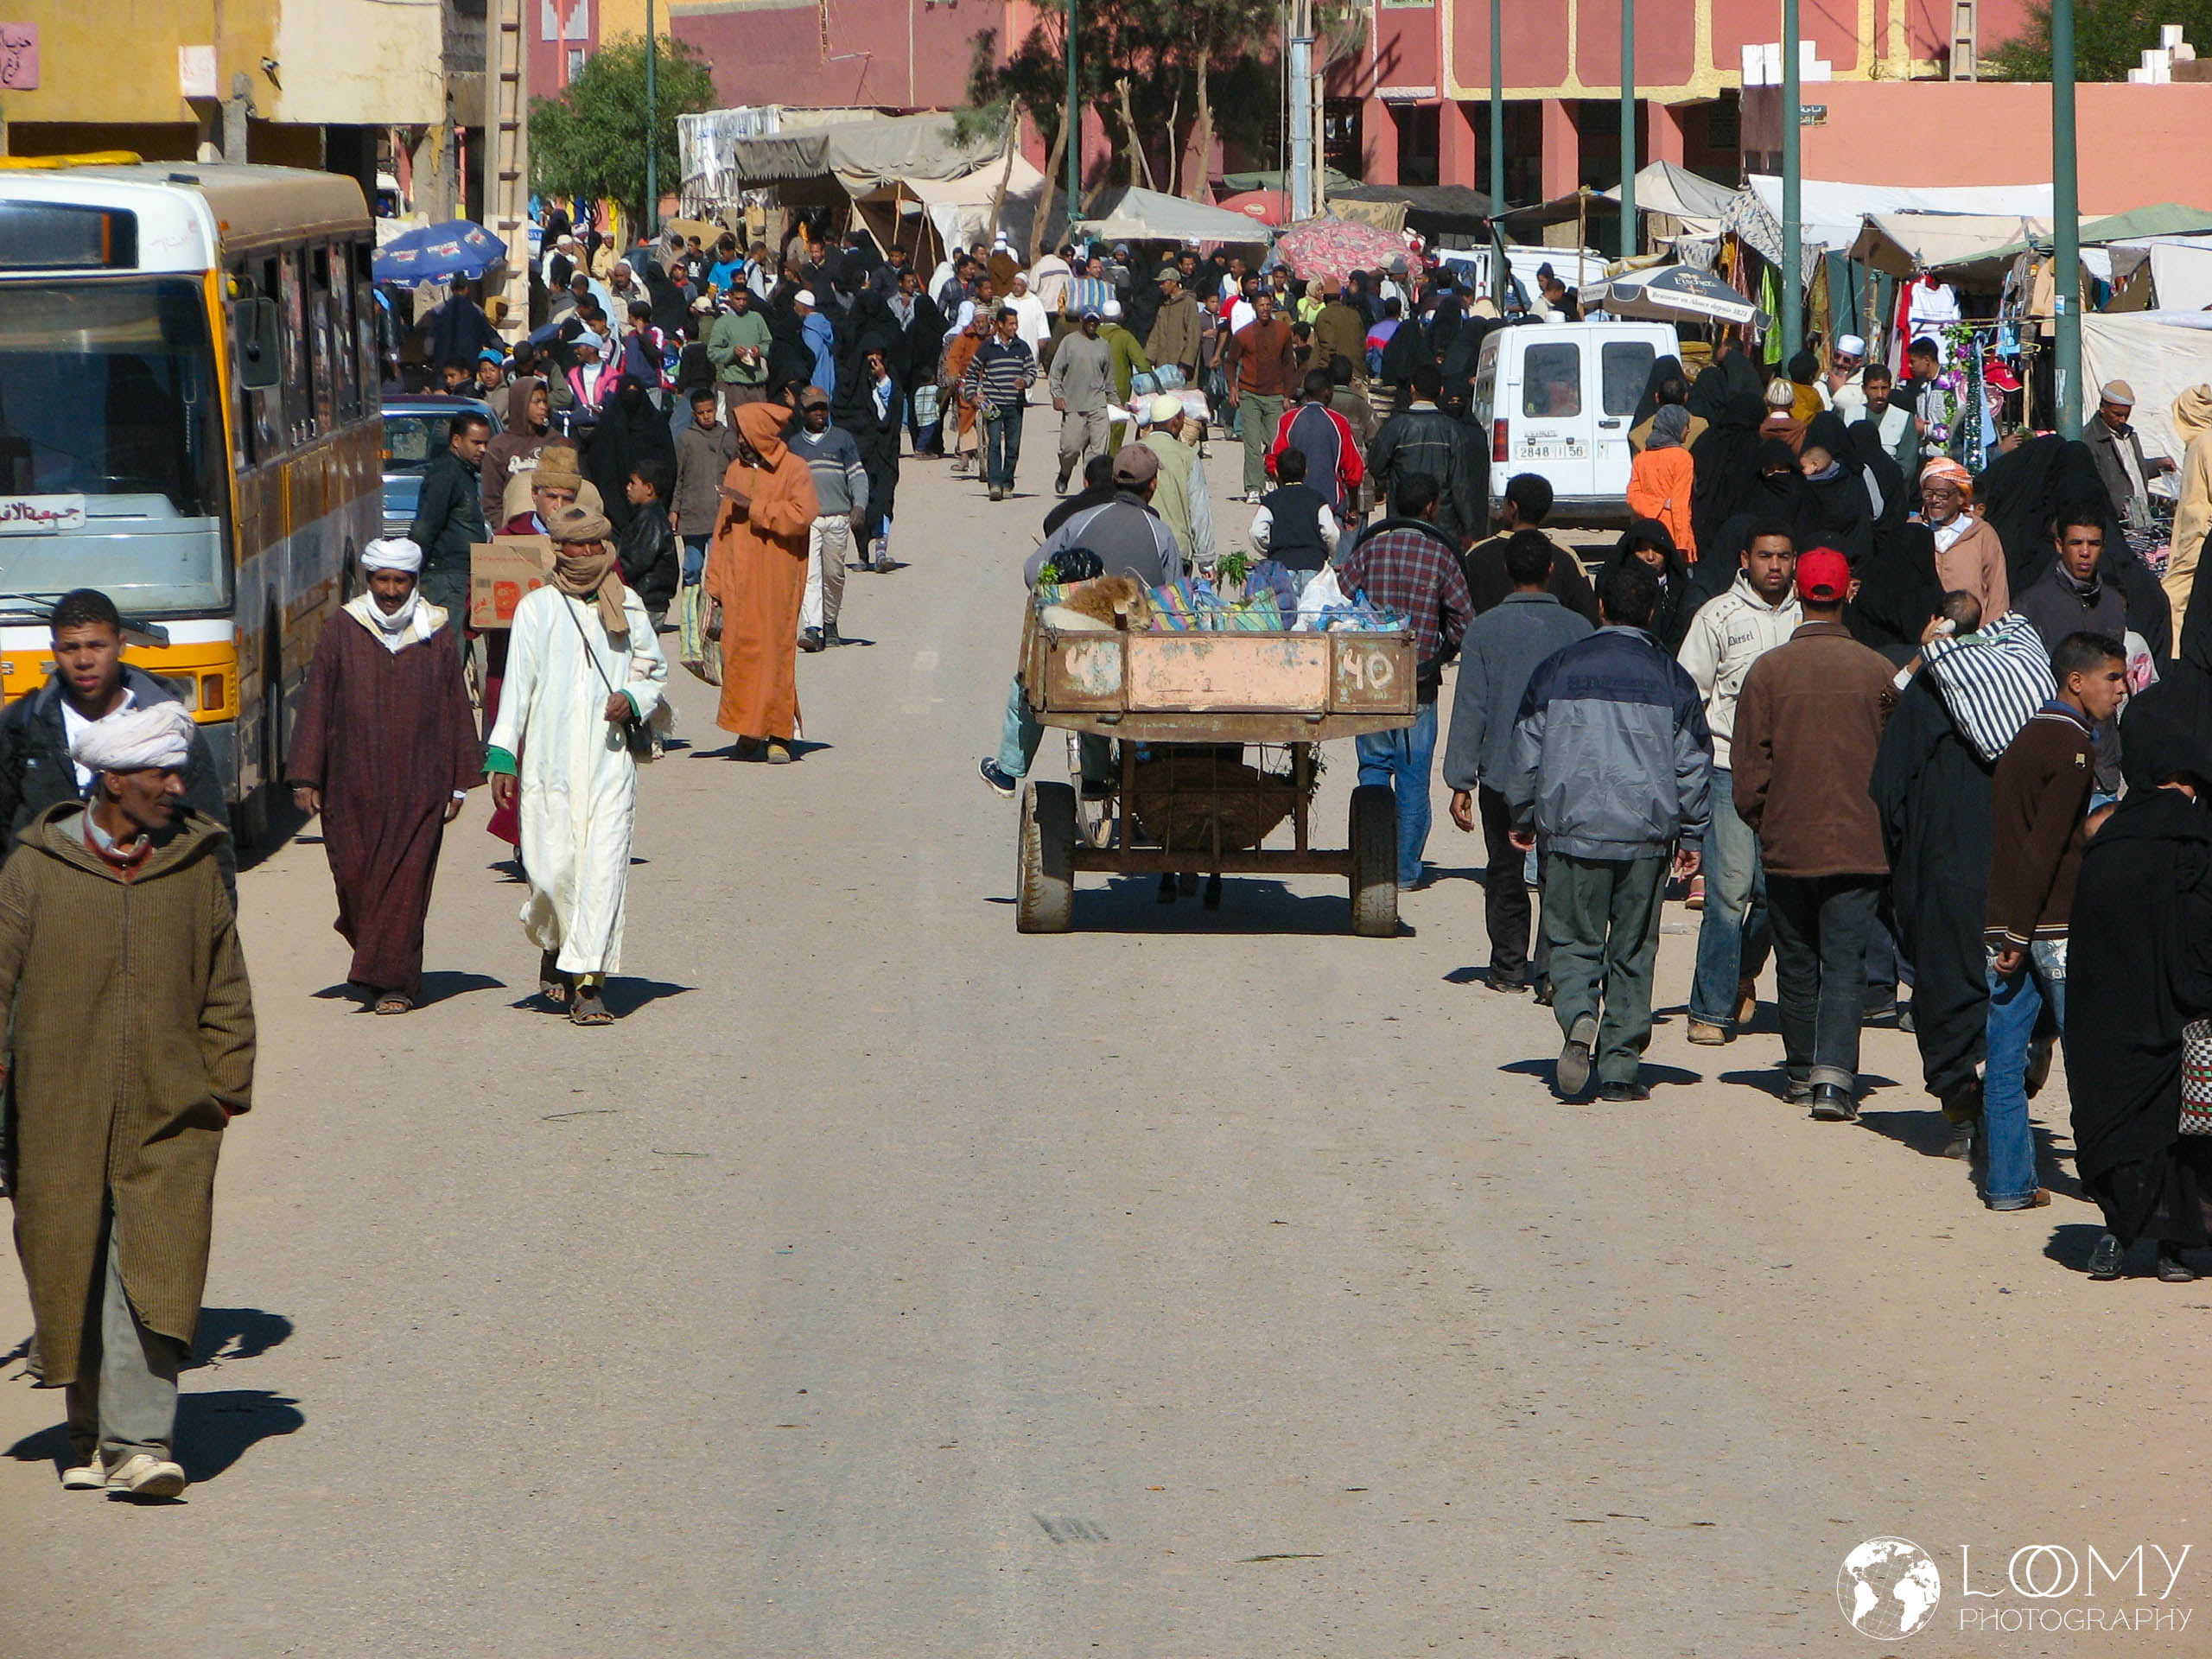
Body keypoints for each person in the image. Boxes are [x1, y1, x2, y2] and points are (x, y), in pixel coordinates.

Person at [0, 700, 253, 1498]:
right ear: (110, 780)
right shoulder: (35, 870)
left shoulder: (191, 867)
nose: (177, 786)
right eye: (160, 773)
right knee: (69, 1262)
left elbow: (226, 987)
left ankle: (141, 1440)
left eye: (179, 770)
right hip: (57, 1112)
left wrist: (224, 1088)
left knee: (155, 1262)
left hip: (172, 1108)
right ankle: (89, 1432)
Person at [1507, 559, 1711, 1101]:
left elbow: (1526, 749)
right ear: (1650, 611)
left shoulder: (1557, 669)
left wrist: (1523, 814)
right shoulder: (1672, 678)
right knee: (1633, 948)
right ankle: (1620, 1067)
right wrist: (1692, 835)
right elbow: (1693, 763)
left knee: (1572, 940)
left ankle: (1577, 1014)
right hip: (1645, 836)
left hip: (1571, 829)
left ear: (1599, 606)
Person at [485, 505, 670, 1027]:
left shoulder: (627, 606)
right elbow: (516, 691)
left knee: (602, 870)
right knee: (550, 871)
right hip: (550, 767)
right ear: (560, 551)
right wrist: (502, 758)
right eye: (577, 547)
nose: (587, 555)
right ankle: (556, 942)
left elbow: (651, 670)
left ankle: (590, 984)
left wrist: (632, 698)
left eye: (596, 546)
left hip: (609, 764)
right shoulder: (537, 610)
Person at [1730, 547, 1897, 1119]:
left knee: (1797, 961)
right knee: (1845, 961)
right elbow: (1897, 765)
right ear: (1847, 594)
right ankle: (1834, 1079)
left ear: (1799, 594)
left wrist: (1764, 820)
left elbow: (1749, 772)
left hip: (1789, 843)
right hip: (1860, 844)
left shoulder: (1768, 672)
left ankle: (1801, 1072)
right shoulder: (1878, 672)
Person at [286, 537, 484, 1014]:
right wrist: (306, 776)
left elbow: (454, 704)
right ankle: (376, 955)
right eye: (382, 581)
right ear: (369, 580)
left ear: (414, 582)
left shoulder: (435, 633)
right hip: (352, 785)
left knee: (406, 884)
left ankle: (395, 982)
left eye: (400, 581)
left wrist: (459, 779)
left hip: (421, 781)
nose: (391, 591)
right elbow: (317, 704)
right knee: (354, 878)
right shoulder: (341, 629)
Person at [1980, 631, 2126, 1211]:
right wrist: (2019, 931)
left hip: (2010, 922)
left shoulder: (2025, 738)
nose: (2121, 689)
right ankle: (2109, 1182)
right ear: (2076, 680)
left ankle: (2008, 1183)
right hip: (2052, 927)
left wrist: (2006, 928)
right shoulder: (2072, 746)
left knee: (2006, 1057)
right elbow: (2043, 847)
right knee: (2088, 1058)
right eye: (2111, 678)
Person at [2067, 729, 2212, 1281]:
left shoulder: (2109, 840)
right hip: (2177, 1018)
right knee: (2183, 1134)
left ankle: (2115, 1235)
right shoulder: (2195, 842)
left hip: (2106, 1020)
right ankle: (2177, 1248)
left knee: (2118, 1132)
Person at [981, 446, 1186, 798]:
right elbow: (1172, 598)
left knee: (1031, 681)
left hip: (1084, 655)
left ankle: (1008, 771)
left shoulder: (1082, 520)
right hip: (1137, 661)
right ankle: (1105, 777)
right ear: (1152, 485)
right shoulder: (1161, 533)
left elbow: (1033, 573)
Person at [0, 588, 233, 893]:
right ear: (55, 651)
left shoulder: (166, 729)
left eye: (97, 646)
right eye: (71, 648)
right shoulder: (23, 726)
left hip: (149, 909)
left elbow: (212, 838)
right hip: (44, 916)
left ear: (121, 645)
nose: (84, 660)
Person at [1445, 530, 1593, 994]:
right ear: (1551, 571)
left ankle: (1508, 967)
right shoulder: (1579, 631)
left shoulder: (1484, 630)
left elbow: (1472, 706)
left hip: (1502, 776)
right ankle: (1553, 974)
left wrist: (1459, 780)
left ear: (1508, 571)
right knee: (1559, 873)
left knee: (1504, 870)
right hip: (1565, 774)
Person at [1676, 524, 1801, 1045]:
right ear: (1745, 560)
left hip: (1792, 778)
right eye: (1766, 556)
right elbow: (1689, 694)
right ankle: (1710, 1008)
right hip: (1728, 767)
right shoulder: (1716, 617)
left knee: (1778, 894)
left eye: (1785, 557)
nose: (1775, 566)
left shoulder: (1808, 618)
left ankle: (1742, 970)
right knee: (1728, 893)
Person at [1332, 473, 1475, 888]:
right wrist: (1441, 651)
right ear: (1430, 507)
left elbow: (1340, 598)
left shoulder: (1371, 546)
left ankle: (1371, 864)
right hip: (1420, 685)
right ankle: (1406, 871)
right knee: (1413, 777)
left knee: (1373, 769)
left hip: (1370, 682)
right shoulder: (1441, 556)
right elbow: (1466, 622)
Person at [708, 403, 819, 764]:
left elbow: (802, 517)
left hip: (776, 580)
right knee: (740, 654)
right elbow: (722, 530)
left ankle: (779, 735)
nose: (739, 440)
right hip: (738, 581)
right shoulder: (736, 471)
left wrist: (754, 506)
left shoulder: (795, 469)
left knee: (774, 655)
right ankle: (748, 729)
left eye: (744, 433)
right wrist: (715, 583)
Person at [1365, 363, 1487, 550]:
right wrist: (1469, 528)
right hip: (1444, 526)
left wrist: (1392, 485)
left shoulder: (1395, 426)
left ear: (1412, 388)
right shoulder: (1453, 430)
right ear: (1441, 390)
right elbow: (1461, 485)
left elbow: (1375, 466)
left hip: (1402, 521)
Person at [791, 385, 868, 652]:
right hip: (808, 520)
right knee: (810, 576)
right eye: (813, 409)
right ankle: (812, 629)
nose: (819, 413)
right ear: (803, 412)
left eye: (822, 407)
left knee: (834, 575)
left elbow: (857, 475)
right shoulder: (794, 446)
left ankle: (830, 620)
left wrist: (859, 506)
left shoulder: (842, 440)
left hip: (838, 517)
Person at [406, 410, 491, 641]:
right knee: (450, 652)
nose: (483, 449)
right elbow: (426, 528)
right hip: (446, 579)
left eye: (485, 443)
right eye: (476, 443)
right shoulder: (446, 474)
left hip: (462, 576)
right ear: (456, 441)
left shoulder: (465, 473)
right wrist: (409, 571)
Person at [1267, 367, 1364, 530]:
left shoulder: (1288, 419)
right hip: (1330, 505)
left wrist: (1284, 492)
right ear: (1327, 392)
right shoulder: (1338, 422)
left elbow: (1273, 462)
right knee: (1334, 552)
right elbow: (1353, 472)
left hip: (1294, 506)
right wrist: (1353, 508)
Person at [1226, 291, 1297, 502]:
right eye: (1261, 305)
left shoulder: (1283, 331)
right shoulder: (1244, 334)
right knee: (1252, 442)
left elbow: (1288, 364)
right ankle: (1253, 487)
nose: (1265, 308)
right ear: (1254, 308)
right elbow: (1230, 362)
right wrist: (1232, 386)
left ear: (1273, 306)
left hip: (1275, 394)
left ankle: (1270, 477)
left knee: (1275, 442)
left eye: (1268, 305)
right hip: (1250, 394)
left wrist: (1288, 394)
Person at [963, 308, 1037, 503]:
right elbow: (971, 374)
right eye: (1011, 323)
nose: (1015, 327)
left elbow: (1031, 371)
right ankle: (995, 484)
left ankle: (1008, 483)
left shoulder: (1022, 347)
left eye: (1016, 323)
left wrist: (1025, 381)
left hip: (1015, 405)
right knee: (994, 444)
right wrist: (973, 397)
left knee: (1013, 447)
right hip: (993, 406)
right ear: (1000, 325)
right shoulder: (987, 348)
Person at [1137, 393, 1214, 572]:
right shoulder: (1187, 456)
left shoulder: (1134, 451)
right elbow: (1199, 509)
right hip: (1176, 550)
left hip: (1139, 546)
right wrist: (1206, 560)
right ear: (1175, 421)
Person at [2082, 379, 2175, 529]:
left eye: (2126, 415)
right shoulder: (2090, 440)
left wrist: (2159, 464)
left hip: (2139, 517)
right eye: (2117, 415)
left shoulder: (2129, 435)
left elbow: (2134, 471)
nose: (2122, 420)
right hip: (2115, 522)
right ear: (2102, 408)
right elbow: (2093, 486)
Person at [673, 386, 737, 589]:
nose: (706, 416)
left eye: (709, 411)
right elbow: (678, 477)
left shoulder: (727, 437)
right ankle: (690, 614)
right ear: (694, 414)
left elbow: (737, 473)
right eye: (701, 413)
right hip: (692, 514)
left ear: (715, 410)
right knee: (692, 567)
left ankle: (714, 615)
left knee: (718, 569)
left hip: (720, 514)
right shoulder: (686, 440)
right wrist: (674, 510)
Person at [1248, 446, 1338, 587]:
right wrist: (1327, 554)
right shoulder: (1318, 499)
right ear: (1306, 472)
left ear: (1276, 473)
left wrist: (1271, 550)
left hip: (1281, 567)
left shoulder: (1271, 500)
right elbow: (1331, 533)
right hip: (1314, 565)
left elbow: (1256, 532)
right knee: (1312, 607)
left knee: (1286, 608)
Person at [1050, 306, 1116, 495]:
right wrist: (1057, 395)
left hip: (1098, 405)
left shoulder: (1104, 345)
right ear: (1081, 320)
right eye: (1089, 320)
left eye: (1096, 320)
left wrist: (1115, 400)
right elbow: (1056, 372)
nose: (1092, 324)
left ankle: (1092, 489)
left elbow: (1109, 377)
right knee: (1069, 449)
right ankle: (1064, 473)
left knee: (1097, 453)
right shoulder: (1069, 342)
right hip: (1074, 405)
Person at [2164, 384, 2212, 624]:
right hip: (2192, 537)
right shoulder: (2199, 443)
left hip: (2199, 539)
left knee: (2175, 600)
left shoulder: (2206, 443)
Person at [854, 346, 904, 569]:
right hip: (861, 453)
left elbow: (893, 406)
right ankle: (863, 555)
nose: (873, 363)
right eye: (869, 358)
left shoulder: (890, 382)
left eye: (878, 358)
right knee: (860, 502)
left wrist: (882, 377)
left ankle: (881, 553)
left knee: (883, 500)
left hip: (885, 452)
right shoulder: (854, 386)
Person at [1626, 404, 1697, 559]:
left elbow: (1632, 496)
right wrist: (1682, 544)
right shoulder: (1682, 458)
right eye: (1686, 426)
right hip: (1672, 534)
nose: (1688, 430)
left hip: (1647, 533)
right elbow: (1680, 505)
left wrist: (1655, 505)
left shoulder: (1642, 458)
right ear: (1675, 427)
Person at [481, 377, 552, 524]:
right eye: (536, 402)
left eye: (545, 401)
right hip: (513, 531)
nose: (543, 407)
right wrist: (503, 532)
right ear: (521, 403)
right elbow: (492, 502)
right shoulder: (498, 446)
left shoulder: (556, 442)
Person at [617, 458, 679, 625]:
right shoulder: (643, 515)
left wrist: (614, 574)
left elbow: (637, 561)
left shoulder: (652, 519)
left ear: (649, 489)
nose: (628, 488)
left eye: (633, 483)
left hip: (648, 600)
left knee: (640, 648)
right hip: (645, 598)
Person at [707, 283, 772, 407]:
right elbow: (712, 353)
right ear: (730, 297)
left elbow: (769, 345)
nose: (741, 303)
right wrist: (733, 352)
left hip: (757, 384)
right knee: (737, 423)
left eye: (744, 299)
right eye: (738, 299)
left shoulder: (756, 318)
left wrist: (760, 350)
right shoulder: (722, 323)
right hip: (735, 384)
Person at [1857, 364, 1918, 476]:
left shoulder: (1904, 418)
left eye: (1884, 388)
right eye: (1874, 388)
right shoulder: (1848, 415)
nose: (1880, 394)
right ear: (1864, 389)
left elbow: (1907, 466)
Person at [1146, 268, 1203, 386]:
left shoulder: (1188, 303)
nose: (1161, 286)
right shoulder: (1164, 305)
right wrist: (1147, 360)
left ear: (1174, 282)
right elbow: (1156, 334)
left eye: (1163, 282)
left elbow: (1194, 335)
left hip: (1181, 367)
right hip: (1163, 366)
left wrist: (1185, 365)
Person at [795, 290, 838, 406]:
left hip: (816, 375)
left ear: (803, 306)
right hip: (827, 372)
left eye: (796, 305)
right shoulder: (823, 323)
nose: (795, 308)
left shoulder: (811, 328)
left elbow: (812, 355)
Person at [1005, 270, 1051, 365]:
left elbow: (1041, 321)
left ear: (1025, 286)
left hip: (1030, 341)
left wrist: (1043, 337)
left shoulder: (1034, 301)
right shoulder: (1006, 301)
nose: (1016, 287)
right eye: (1014, 284)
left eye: (1019, 285)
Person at [1824, 334, 1870, 422]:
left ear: (1857, 362)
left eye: (1846, 360)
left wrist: (1840, 391)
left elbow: (1859, 412)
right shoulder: (1822, 381)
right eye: (1837, 356)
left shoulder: (1865, 384)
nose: (1839, 362)